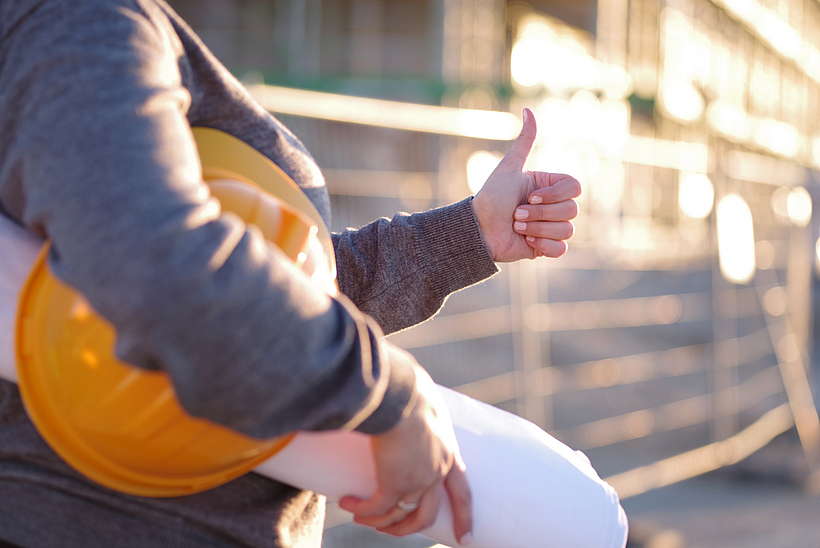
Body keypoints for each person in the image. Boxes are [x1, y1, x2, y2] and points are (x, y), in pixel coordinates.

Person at [0, 1, 581, 547]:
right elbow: (161, 269)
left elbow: (282, 284)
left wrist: (469, 232)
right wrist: (382, 392)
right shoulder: (76, 21)